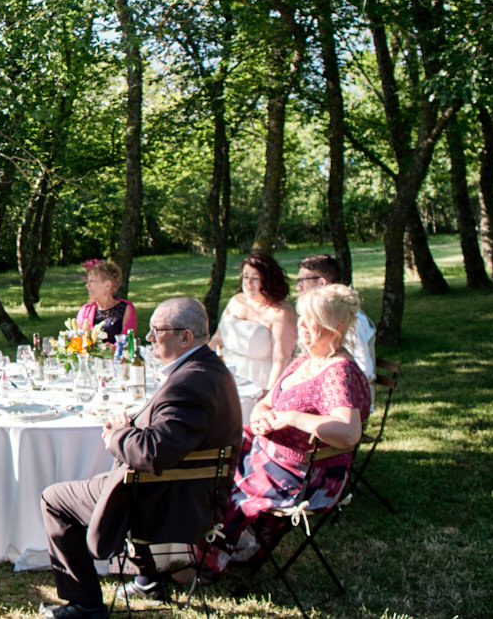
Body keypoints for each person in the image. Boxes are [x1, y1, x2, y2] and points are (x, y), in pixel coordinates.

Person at [39, 298, 242, 618]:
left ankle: (85, 605)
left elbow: (153, 452)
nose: (148, 337)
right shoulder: (208, 368)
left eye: (156, 331)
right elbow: (178, 432)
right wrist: (138, 420)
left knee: (55, 498)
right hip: (188, 492)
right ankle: (147, 579)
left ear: (185, 337)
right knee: (100, 482)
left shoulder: (189, 382)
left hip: (167, 505)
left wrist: (115, 436)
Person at [197, 284, 372, 576]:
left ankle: (207, 558)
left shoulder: (338, 372)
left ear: (336, 327)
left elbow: (348, 433)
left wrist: (292, 417)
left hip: (303, 476)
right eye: (301, 317)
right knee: (216, 450)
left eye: (310, 320)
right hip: (271, 455)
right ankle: (212, 543)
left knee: (220, 477)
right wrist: (262, 418)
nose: (301, 325)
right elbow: (265, 403)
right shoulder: (306, 360)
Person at [211, 252, 298, 393]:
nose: (249, 283)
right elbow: (216, 339)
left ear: (269, 280)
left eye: (255, 278)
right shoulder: (236, 301)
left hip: (260, 381)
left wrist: (269, 393)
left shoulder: (281, 313)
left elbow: (281, 359)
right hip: (227, 375)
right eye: (246, 277)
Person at [296, 254, 376, 382]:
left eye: (302, 282)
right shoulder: (316, 318)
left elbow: (364, 371)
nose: (298, 288)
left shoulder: (349, 318)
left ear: (322, 282)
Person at [74, 259, 137, 345]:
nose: (87, 285)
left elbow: (128, 342)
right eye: (87, 281)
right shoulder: (85, 310)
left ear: (107, 285)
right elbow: (77, 341)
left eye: (92, 281)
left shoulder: (126, 308)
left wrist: (114, 348)